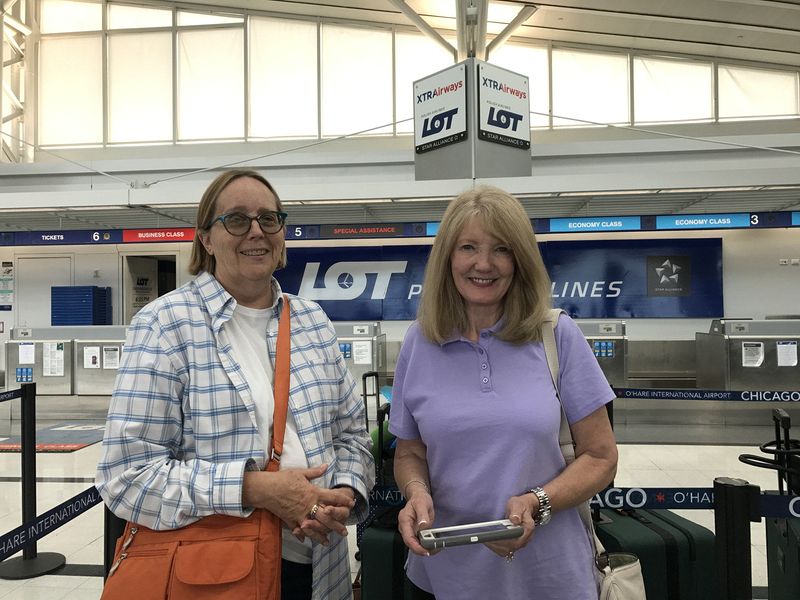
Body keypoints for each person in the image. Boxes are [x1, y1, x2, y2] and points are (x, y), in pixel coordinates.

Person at [96, 169, 375, 600]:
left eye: (269, 219)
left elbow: (352, 435)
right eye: (237, 220)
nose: (256, 232)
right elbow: (126, 476)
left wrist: (343, 494)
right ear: (206, 238)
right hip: (216, 573)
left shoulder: (312, 321)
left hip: (321, 570)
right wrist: (256, 489)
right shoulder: (166, 325)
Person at [389, 186, 618, 599]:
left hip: (549, 578)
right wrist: (416, 493)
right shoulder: (419, 342)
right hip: (443, 573)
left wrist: (537, 502)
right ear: (447, 259)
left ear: (520, 260)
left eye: (501, 249)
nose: (483, 263)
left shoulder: (556, 335)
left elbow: (601, 457)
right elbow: (410, 452)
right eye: (468, 247)